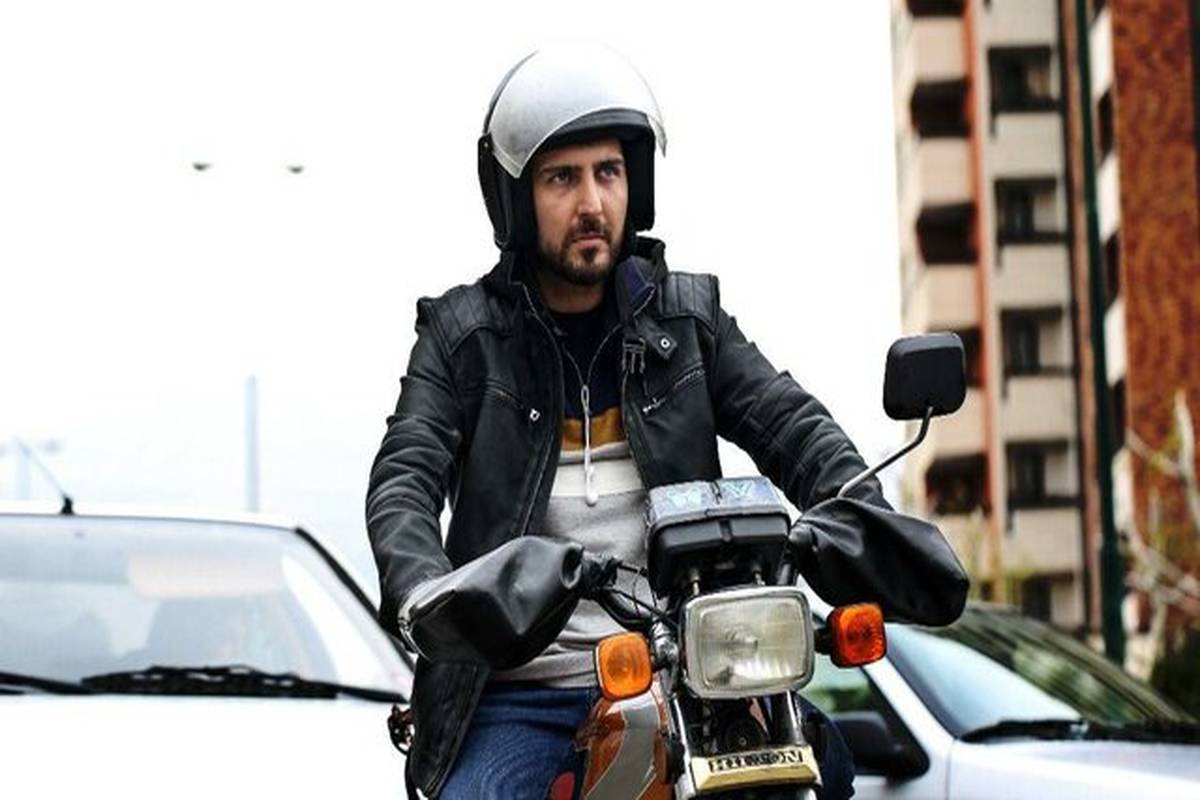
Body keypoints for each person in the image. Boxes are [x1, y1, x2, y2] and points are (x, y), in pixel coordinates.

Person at [367, 44, 879, 799]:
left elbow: (791, 423)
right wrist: (424, 591)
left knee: (821, 768)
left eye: (607, 172)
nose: (591, 202)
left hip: (689, 672)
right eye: (561, 178)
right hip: (522, 688)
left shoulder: (690, 321)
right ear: (515, 198)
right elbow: (404, 479)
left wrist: (861, 509)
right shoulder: (462, 337)